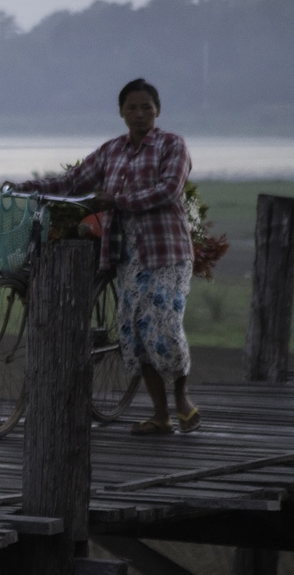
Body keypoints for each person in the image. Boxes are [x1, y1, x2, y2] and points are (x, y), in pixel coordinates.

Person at [11, 78, 198, 433]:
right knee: (135, 331)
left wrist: (118, 200)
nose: (139, 114)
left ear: (157, 111)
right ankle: (160, 415)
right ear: (121, 113)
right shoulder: (112, 151)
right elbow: (73, 181)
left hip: (166, 251)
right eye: (132, 108)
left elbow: (168, 191)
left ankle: (182, 398)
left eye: (146, 108)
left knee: (164, 325)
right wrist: (24, 188)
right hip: (127, 255)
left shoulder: (172, 145)